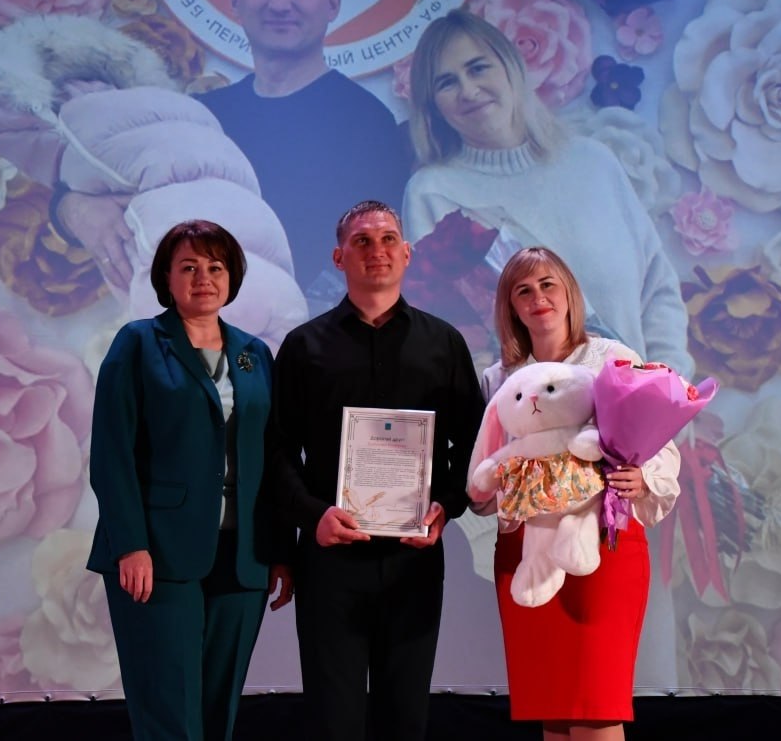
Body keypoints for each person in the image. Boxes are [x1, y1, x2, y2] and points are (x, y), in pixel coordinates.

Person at [266, 200, 484, 741]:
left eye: (388, 239)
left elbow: (474, 445)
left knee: (404, 719)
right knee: (332, 720)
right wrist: (311, 515)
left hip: (414, 560)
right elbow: (277, 450)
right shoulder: (304, 347)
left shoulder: (444, 343)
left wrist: (446, 507)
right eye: (361, 241)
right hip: (330, 560)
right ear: (338, 257)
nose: (376, 250)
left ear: (406, 253)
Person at [87, 220, 293, 741]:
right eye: (190, 267)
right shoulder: (138, 343)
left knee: (218, 710)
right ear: (167, 277)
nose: (204, 278)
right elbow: (112, 454)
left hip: (242, 554)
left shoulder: (254, 354)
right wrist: (130, 544)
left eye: (216, 267)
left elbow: (272, 458)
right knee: (169, 711)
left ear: (232, 277)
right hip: (157, 554)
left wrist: (280, 550)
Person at [402, 8, 691, 375]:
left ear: (511, 68)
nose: (469, 91)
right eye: (447, 83)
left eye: (478, 68)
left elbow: (657, 287)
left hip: (643, 403)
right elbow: (452, 339)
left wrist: (668, 380)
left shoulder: (593, 162)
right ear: (433, 106)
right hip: (532, 409)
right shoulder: (432, 193)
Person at [476, 246, 681, 741]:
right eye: (523, 290)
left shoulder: (613, 359)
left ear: (568, 291)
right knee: (553, 708)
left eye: (547, 284)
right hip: (525, 551)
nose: (538, 298)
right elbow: (486, 467)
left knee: (595, 706)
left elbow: (658, 442)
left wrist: (642, 478)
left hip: (604, 548)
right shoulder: (498, 378)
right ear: (511, 306)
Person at [199, 0, 413, 299]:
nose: (280, 3)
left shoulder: (367, 123)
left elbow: (370, 260)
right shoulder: (204, 118)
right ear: (235, 0)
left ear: (332, 3)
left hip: (311, 329)